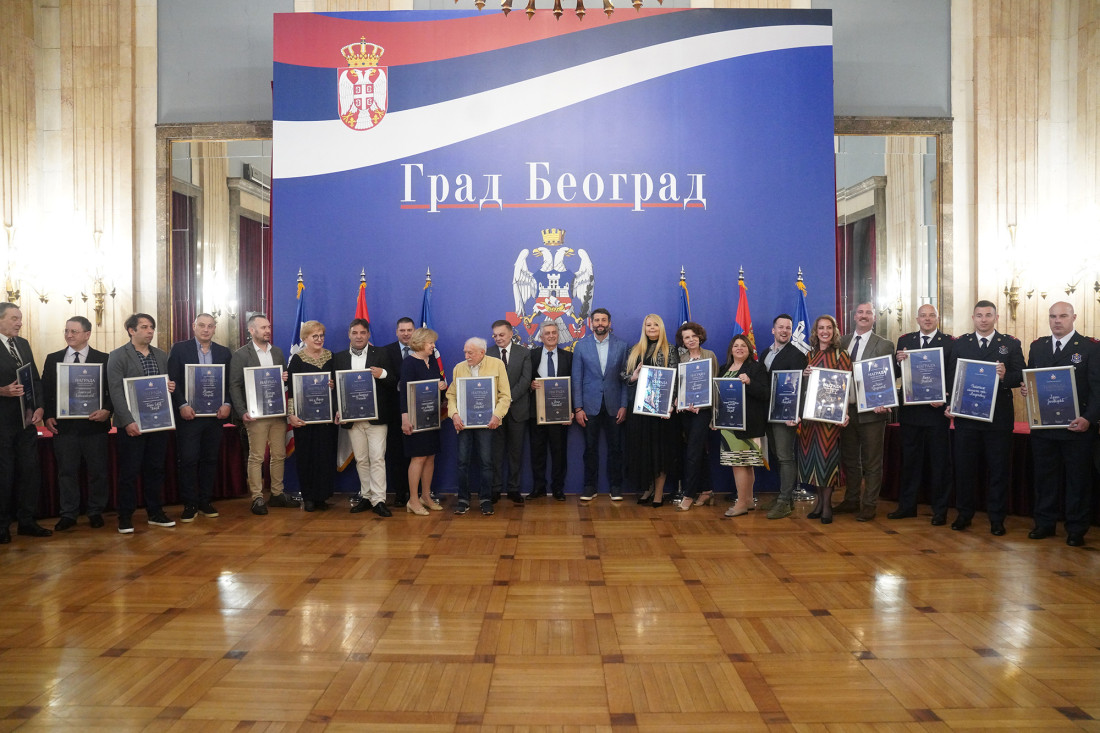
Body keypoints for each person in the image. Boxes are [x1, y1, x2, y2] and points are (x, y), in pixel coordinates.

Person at [1021, 301, 1099, 547]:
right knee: (1045, 478)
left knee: (1077, 481)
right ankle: (1044, 524)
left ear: (1074, 317)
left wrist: (1089, 418)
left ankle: (1076, 529)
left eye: (1063, 316)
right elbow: (1031, 379)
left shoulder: (1089, 348)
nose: (1057, 321)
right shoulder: (1038, 346)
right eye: (1053, 316)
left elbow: (1098, 389)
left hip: (1077, 428)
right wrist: (1027, 389)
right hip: (1044, 429)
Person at [945, 300, 1024, 536]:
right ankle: (964, 514)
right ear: (973, 318)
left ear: (996, 318)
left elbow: (1021, 375)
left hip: (998, 420)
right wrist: (950, 404)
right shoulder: (961, 344)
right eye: (979, 315)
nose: (983, 319)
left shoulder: (1009, 344)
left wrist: (1005, 376)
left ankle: (997, 518)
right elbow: (952, 377)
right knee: (965, 468)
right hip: (967, 418)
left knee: (998, 470)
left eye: (988, 315)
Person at [106, 313, 176, 534]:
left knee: (155, 469)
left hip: (158, 423)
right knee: (129, 472)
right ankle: (125, 516)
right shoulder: (118, 356)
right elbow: (116, 392)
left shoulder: (161, 355)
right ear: (131, 330)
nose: (150, 331)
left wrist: (170, 387)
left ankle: (155, 512)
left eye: (152, 327)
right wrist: (127, 421)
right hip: (131, 425)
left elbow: (164, 385)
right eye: (144, 327)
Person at [41, 316, 112, 531]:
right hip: (65, 429)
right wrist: (48, 415)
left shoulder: (104, 359)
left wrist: (108, 411)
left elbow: (113, 391)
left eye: (74, 331)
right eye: (66, 331)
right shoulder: (53, 359)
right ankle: (69, 514)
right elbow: (46, 390)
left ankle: (95, 511)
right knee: (67, 472)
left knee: (98, 472)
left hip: (95, 428)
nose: (69, 335)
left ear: (87, 334)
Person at [229, 313, 300, 515]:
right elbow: (234, 385)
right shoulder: (241, 355)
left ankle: (277, 494)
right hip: (255, 415)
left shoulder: (277, 352)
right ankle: (257, 497)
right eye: (263, 327)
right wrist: (242, 411)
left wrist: (285, 378)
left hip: (277, 413)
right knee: (257, 456)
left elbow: (284, 382)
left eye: (269, 327)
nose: (267, 330)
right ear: (251, 331)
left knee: (278, 454)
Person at [167, 312, 232, 523]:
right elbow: (172, 380)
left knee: (210, 459)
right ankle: (190, 503)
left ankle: (205, 500)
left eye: (210, 326)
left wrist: (227, 404)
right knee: (188, 460)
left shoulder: (224, 352)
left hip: (215, 417)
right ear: (193, 326)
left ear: (215, 329)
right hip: (189, 417)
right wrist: (182, 405)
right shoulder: (179, 349)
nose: (206, 329)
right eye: (202, 325)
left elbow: (231, 383)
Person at [891, 304, 953, 523]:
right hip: (911, 413)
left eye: (931, 315)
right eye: (923, 316)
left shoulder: (948, 342)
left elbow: (953, 375)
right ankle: (907, 506)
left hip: (936, 413)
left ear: (938, 318)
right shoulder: (905, 341)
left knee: (939, 464)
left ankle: (940, 510)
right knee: (910, 462)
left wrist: (945, 398)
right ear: (916, 318)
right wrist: (897, 362)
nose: (927, 319)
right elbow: (897, 374)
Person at [836, 302, 895, 521]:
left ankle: (869, 504)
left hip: (873, 412)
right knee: (850, 459)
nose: (864, 315)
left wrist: (886, 400)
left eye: (868, 312)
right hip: (846, 411)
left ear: (874, 318)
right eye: (860, 312)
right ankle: (852, 500)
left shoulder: (884, 344)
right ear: (854, 316)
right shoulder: (841, 341)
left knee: (872, 462)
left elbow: (888, 376)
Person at [333, 318, 396, 517]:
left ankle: (379, 500)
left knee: (377, 458)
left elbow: (395, 382)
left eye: (362, 333)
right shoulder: (339, 358)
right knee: (361, 460)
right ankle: (367, 497)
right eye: (355, 333)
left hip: (377, 418)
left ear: (368, 335)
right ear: (349, 335)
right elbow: (335, 389)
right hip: (352, 418)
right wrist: (338, 409)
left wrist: (383, 374)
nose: (359, 336)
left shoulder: (382, 353)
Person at [0, 302, 51, 542]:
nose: (20, 322)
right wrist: (1, 391)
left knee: (30, 472)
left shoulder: (23, 344)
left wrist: (40, 406)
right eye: (14, 318)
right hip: (3, 424)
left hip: (27, 422)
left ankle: (27, 522)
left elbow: (36, 379)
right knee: (5, 474)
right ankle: (2, 526)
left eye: (20, 318)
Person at [795, 314, 852, 524]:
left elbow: (845, 387)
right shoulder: (809, 355)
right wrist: (805, 375)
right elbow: (805, 388)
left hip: (830, 419)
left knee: (827, 460)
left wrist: (845, 413)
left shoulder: (841, 355)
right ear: (815, 331)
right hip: (811, 418)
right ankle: (819, 504)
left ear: (834, 331)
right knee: (813, 461)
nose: (825, 331)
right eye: (821, 328)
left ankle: (827, 506)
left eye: (829, 328)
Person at [446, 337, 511, 516]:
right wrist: (454, 415)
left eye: (470, 353)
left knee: (487, 463)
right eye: (465, 352)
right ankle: (463, 499)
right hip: (464, 424)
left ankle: (485, 499)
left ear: (482, 352)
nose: (466, 356)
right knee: (462, 463)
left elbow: (505, 395)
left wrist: (497, 415)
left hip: (488, 424)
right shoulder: (459, 368)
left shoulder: (497, 365)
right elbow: (451, 395)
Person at [571, 307, 629, 501]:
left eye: (604, 320)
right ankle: (590, 486)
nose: (600, 324)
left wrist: (624, 405)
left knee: (616, 449)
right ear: (591, 323)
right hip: (589, 406)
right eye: (596, 320)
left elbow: (625, 379)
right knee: (590, 448)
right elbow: (576, 378)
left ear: (609, 323)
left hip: (614, 406)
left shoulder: (622, 346)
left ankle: (616, 486)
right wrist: (577, 407)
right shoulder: (581, 345)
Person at [623, 314, 679, 507]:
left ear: (661, 327)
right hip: (639, 410)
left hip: (661, 411)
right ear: (644, 328)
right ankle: (647, 488)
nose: (652, 327)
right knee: (643, 451)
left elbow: (675, 378)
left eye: (656, 324)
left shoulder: (670, 349)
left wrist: (670, 404)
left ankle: (659, 493)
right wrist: (634, 376)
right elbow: (623, 375)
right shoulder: (634, 350)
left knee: (659, 452)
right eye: (648, 325)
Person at [758, 314, 808, 520]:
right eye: (781, 327)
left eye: (788, 328)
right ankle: (783, 496)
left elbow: (800, 387)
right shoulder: (765, 353)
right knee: (778, 456)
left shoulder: (797, 354)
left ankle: (785, 501)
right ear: (773, 330)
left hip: (785, 414)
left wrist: (796, 414)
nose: (784, 331)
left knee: (786, 457)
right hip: (767, 413)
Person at [714, 334, 769, 517]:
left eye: (743, 346)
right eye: (736, 346)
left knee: (743, 464)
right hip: (728, 425)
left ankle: (741, 503)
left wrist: (749, 382)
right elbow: (718, 397)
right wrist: (714, 419)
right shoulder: (724, 369)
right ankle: (748, 500)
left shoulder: (757, 368)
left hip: (748, 424)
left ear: (749, 349)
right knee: (740, 464)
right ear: (731, 349)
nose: (739, 348)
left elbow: (765, 393)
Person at [286, 320, 337, 512]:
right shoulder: (297, 360)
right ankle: (308, 497)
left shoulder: (331, 357)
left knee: (325, 456)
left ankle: (322, 496)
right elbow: (291, 390)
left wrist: (334, 386)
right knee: (307, 456)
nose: (319, 339)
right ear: (304, 338)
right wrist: (291, 415)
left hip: (327, 417)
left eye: (321, 335)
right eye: (314, 336)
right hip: (304, 419)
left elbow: (339, 384)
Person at [398, 327, 447, 515]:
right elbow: (404, 392)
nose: (433, 346)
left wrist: (441, 385)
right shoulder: (409, 363)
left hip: (431, 417)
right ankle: (412, 499)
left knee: (430, 457)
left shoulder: (432, 360)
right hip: (414, 419)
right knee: (418, 457)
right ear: (420, 343)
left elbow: (437, 384)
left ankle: (425, 496)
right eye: (430, 343)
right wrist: (405, 418)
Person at [674, 322, 719, 511]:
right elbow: (679, 384)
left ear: (700, 336)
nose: (691, 340)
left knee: (693, 452)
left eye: (693, 336)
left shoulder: (710, 356)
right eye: (686, 337)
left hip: (703, 412)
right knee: (698, 451)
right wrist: (678, 400)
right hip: (685, 413)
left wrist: (712, 413)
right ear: (682, 341)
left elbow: (715, 385)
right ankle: (707, 490)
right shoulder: (681, 358)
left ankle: (689, 494)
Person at [527, 321, 572, 501]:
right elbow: (524, 380)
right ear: (541, 336)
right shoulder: (531, 356)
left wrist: (571, 410)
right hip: (536, 412)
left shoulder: (569, 357)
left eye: (554, 332)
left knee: (559, 452)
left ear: (558, 335)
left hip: (560, 414)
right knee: (537, 452)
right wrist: (530, 385)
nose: (551, 336)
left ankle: (558, 489)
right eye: (547, 333)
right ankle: (538, 487)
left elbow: (573, 384)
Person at [488, 320, 530, 505]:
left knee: (516, 452)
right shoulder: (487, 353)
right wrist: (500, 404)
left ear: (511, 333)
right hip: (495, 413)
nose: (498, 338)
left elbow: (526, 379)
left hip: (517, 410)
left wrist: (507, 399)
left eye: (501, 334)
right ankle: (495, 489)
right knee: (495, 453)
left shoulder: (524, 353)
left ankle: (514, 489)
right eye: (495, 335)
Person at [383, 317, 416, 507]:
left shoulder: (424, 349)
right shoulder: (386, 351)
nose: (406, 334)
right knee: (397, 455)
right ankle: (400, 493)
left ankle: (417, 493)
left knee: (418, 454)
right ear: (397, 332)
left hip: (419, 411)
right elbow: (384, 380)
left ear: (414, 331)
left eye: (409, 330)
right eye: (402, 330)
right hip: (394, 412)